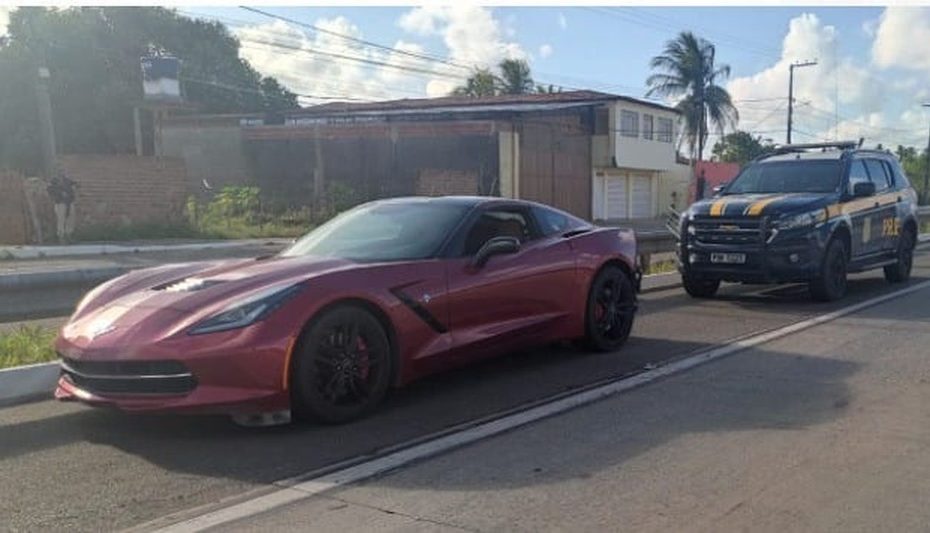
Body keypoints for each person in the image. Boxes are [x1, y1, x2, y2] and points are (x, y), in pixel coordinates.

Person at [46, 166, 78, 244]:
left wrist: (75, 186)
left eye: (64, 171)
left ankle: (69, 235)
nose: (62, 172)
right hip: (60, 203)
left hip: (69, 202)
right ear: (57, 172)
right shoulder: (54, 180)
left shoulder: (67, 180)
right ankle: (61, 237)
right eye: (61, 171)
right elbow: (49, 189)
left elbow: (74, 185)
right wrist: (60, 193)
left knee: (71, 219)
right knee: (61, 220)